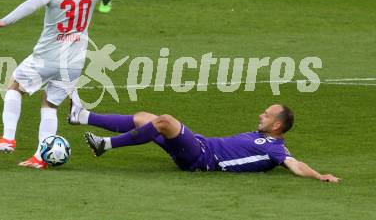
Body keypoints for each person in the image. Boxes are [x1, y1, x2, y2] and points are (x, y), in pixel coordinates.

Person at [0, 0, 131, 169]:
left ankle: (8, 138)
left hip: (46, 57)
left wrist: (5, 20)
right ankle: (41, 157)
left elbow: (32, 4)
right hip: (74, 63)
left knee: (14, 86)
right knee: (50, 105)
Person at [68, 102, 340, 182]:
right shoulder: (262, 137)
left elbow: (295, 165)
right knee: (144, 117)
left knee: (164, 120)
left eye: (266, 114)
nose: (261, 114)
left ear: (278, 125)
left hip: (202, 159)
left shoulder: (275, 149)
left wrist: (320, 175)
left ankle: (106, 145)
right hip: (200, 145)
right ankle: (83, 115)